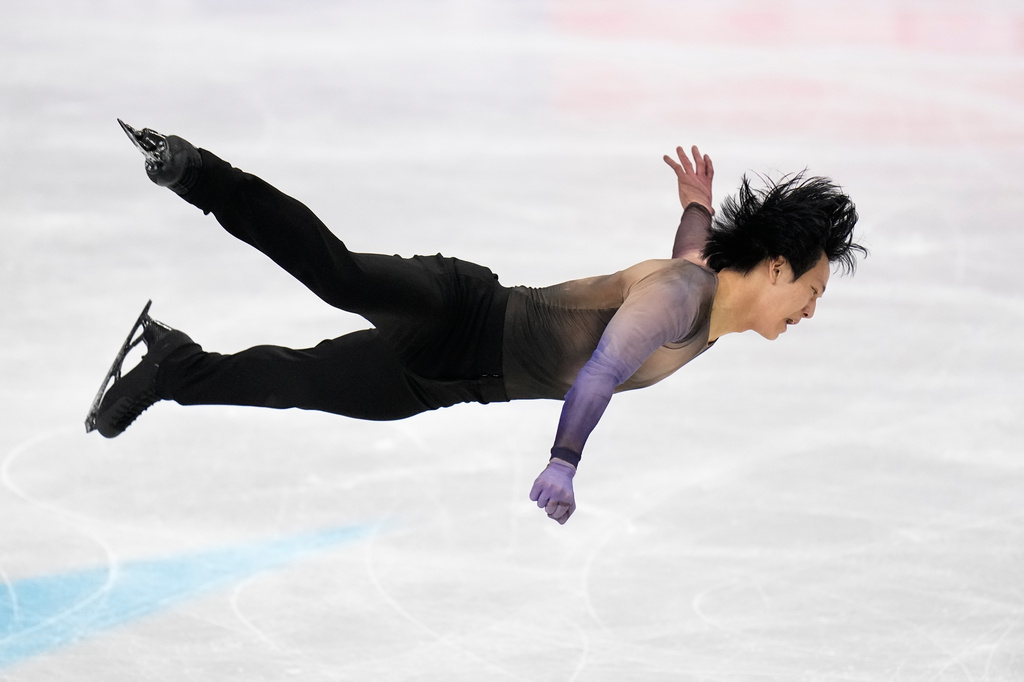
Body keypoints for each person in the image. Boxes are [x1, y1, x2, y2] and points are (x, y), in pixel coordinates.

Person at [89, 121, 865, 525]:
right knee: (341, 277)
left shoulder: (706, 295)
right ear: (774, 267)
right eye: (814, 288)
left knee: (301, 381)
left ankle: (172, 365)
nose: (811, 309)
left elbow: (696, 245)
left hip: (458, 380)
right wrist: (564, 459)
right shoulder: (678, 302)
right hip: (463, 311)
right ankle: (195, 172)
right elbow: (601, 369)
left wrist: (697, 201)